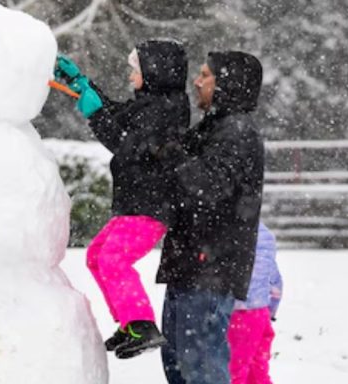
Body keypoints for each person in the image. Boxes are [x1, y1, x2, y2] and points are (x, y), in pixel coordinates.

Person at [54, 39, 190, 359]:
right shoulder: (150, 104)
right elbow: (116, 113)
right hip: (134, 204)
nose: (130, 76)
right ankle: (130, 323)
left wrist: (95, 115)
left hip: (150, 205)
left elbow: (125, 144)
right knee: (97, 255)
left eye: (135, 70)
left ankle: (142, 324)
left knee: (114, 259)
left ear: (154, 72)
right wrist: (82, 84)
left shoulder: (165, 111)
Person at [157, 51, 266, 384]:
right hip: (190, 262)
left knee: (200, 363)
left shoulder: (237, 132)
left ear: (226, 84)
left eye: (205, 75)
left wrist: (172, 153)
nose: (197, 80)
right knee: (177, 359)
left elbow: (208, 186)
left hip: (210, 266)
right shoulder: (215, 126)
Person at [228, 222, 283, 384]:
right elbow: (276, 283)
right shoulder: (266, 235)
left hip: (238, 314)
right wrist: (271, 310)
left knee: (235, 368)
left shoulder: (228, 231)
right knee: (259, 366)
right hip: (261, 314)